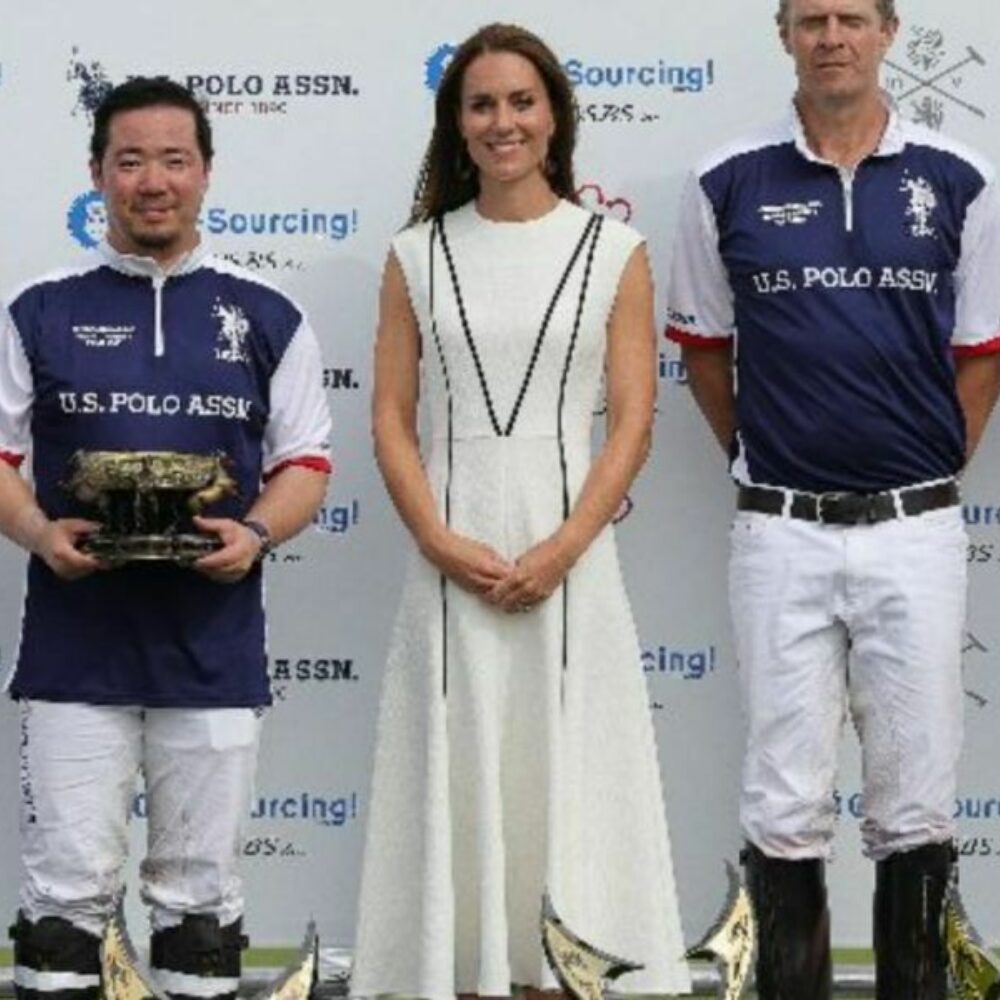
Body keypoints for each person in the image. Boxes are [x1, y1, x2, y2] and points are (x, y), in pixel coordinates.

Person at [666, 0, 1000, 996]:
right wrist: (764, 464)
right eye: (810, 18)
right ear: (783, 35)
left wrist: (929, 463)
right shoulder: (723, 179)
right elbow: (709, 356)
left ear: (887, 32)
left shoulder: (962, 178)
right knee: (781, 799)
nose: (831, 37)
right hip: (781, 533)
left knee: (916, 802)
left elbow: (978, 357)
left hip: (915, 529)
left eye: (851, 17)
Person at [351, 22, 691, 1000]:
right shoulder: (414, 255)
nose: (503, 122)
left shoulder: (613, 250)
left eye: (520, 101)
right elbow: (389, 414)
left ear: (554, 117)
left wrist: (567, 546)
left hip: (571, 560)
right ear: (456, 126)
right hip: (448, 560)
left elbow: (630, 417)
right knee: (460, 778)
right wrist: (438, 539)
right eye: (481, 104)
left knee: (566, 779)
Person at [0, 77, 332, 1000]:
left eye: (173, 160)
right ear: (97, 174)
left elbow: (305, 462)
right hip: (76, 653)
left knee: (200, 905)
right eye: (131, 160)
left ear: (206, 173)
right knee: (64, 905)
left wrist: (257, 531)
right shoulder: (37, 309)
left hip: (212, 653)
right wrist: (34, 528)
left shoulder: (267, 314)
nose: (154, 181)